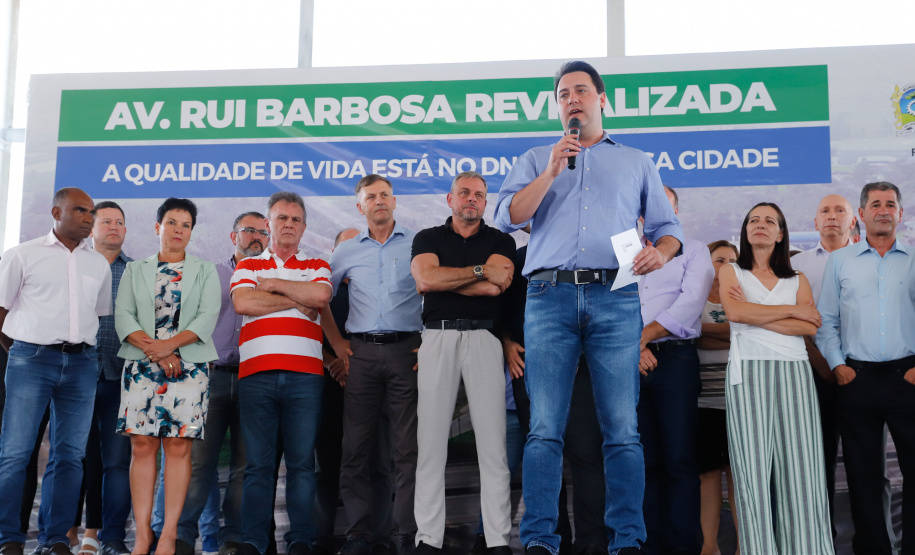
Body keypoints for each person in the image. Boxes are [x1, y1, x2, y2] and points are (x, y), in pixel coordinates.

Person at [494, 60, 684, 555]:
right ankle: (540, 539)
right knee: (544, 428)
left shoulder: (637, 161)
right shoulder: (537, 158)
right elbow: (507, 216)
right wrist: (551, 171)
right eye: (563, 94)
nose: (571, 99)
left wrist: (661, 253)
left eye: (580, 90)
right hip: (548, 297)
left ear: (602, 99)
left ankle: (627, 541)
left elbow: (669, 229)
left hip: (614, 298)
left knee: (622, 429)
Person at [0, 188, 113, 555]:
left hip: (82, 364)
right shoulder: (22, 254)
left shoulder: (98, 264)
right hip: (31, 360)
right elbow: (1, 310)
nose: (88, 218)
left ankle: (54, 540)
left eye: (91, 212)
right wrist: (24, 351)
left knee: (69, 455)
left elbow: (96, 315)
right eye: (80, 210)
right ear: (55, 212)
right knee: (16, 453)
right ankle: (7, 539)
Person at [410, 170, 516, 555]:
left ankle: (498, 541)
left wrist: (449, 279)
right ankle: (428, 539)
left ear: (486, 202)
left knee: (493, 446)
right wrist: (478, 271)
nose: (472, 199)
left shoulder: (501, 240)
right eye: (465, 192)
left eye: (479, 194)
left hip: (485, 339)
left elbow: (496, 286)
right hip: (436, 338)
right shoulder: (427, 238)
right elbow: (425, 280)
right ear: (450, 199)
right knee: (430, 445)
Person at [717, 202, 832, 554]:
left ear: (781, 233)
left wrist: (757, 314)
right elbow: (735, 312)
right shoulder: (731, 272)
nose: (760, 224)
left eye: (770, 221)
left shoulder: (798, 278)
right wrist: (793, 310)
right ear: (745, 230)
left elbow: (809, 327)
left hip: (795, 372)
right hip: (747, 373)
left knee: (802, 469)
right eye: (754, 220)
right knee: (751, 472)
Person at [114, 197, 221, 555]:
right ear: (158, 227)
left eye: (186, 225)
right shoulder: (135, 269)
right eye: (172, 222)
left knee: (178, 447)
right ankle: (142, 535)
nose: (178, 230)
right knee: (142, 446)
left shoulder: (205, 270)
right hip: (142, 365)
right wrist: (158, 351)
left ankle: (169, 535)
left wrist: (169, 347)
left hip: (188, 367)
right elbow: (124, 316)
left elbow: (206, 317)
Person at [322, 175, 421, 555]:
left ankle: (404, 533)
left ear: (394, 201)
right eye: (371, 197)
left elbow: (436, 291)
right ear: (359, 206)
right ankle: (359, 535)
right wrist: (337, 344)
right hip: (360, 356)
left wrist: (428, 341)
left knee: (406, 451)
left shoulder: (418, 244)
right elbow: (321, 299)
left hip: (406, 352)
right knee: (356, 450)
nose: (379, 201)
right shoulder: (345, 251)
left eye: (384, 195)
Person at [231, 191, 332, 555]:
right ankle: (254, 542)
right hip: (256, 375)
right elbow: (244, 301)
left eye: (295, 219)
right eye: (281, 218)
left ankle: (301, 540)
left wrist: (273, 285)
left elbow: (320, 298)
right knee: (258, 467)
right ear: (268, 224)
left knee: (302, 465)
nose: (289, 225)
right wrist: (295, 300)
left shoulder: (318, 264)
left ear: (304, 226)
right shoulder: (248, 265)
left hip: (305, 377)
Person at [817, 181, 914, 555]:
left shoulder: (914, 258)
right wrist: (838, 366)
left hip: (908, 377)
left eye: (890, 204)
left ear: (900, 213)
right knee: (864, 477)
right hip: (856, 378)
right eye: (875, 204)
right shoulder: (841, 261)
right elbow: (826, 320)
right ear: (861, 214)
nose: (883, 210)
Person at [175, 211, 268, 555]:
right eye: (249, 230)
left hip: (254, 380)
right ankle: (182, 537)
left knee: (244, 466)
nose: (256, 236)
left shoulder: (273, 276)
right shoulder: (209, 274)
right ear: (233, 236)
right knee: (199, 464)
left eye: (263, 232)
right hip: (211, 377)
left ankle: (232, 539)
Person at [636, 186, 713, 555]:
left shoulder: (695, 250)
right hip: (629, 363)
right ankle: (648, 545)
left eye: (664, 206)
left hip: (676, 361)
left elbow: (691, 302)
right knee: (642, 460)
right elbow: (609, 304)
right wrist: (633, 348)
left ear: (676, 213)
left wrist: (642, 338)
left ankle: (683, 546)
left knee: (680, 458)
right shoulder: (621, 252)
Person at [314, 227, 394, 555]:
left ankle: (380, 538)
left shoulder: (381, 290)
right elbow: (305, 332)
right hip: (330, 387)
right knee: (327, 466)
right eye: (345, 247)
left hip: (375, 387)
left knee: (380, 464)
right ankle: (320, 538)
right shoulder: (321, 292)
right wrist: (333, 362)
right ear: (335, 254)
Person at [790, 194, 859, 541]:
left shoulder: (869, 261)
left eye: (840, 210)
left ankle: (873, 541)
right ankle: (822, 540)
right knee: (818, 462)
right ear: (815, 222)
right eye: (825, 211)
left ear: (853, 221)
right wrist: (822, 364)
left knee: (866, 464)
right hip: (813, 374)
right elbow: (792, 319)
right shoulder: (797, 265)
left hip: (863, 372)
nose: (832, 216)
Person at [73, 201, 134, 555]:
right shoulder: (75, 264)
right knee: (69, 458)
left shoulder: (137, 271)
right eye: (106, 221)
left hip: (120, 378)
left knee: (116, 462)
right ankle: (60, 534)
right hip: (73, 375)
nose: (114, 226)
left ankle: (111, 537)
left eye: (119, 222)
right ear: (92, 228)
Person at [695, 240, 738, 555]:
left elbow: (746, 332)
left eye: (732, 261)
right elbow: (691, 335)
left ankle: (743, 546)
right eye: (720, 259)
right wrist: (732, 334)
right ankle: (709, 547)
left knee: (738, 476)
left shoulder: (742, 297)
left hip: (739, 403)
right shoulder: (694, 297)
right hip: (704, 404)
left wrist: (705, 331)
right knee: (708, 476)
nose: (726, 265)